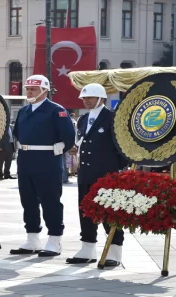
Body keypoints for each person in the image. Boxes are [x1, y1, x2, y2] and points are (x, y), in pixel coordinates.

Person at [9, 75, 76, 257]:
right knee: (28, 200)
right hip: (25, 160)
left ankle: (54, 240)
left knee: (50, 200)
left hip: (47, 160)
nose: (29, 92)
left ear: (44, 90)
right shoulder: (24, 111)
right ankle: (32, 239)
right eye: (28, 89)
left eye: (33, 89)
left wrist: (60, 148)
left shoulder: (56, 111)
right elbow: (17, 134)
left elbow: (69, 137)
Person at [66, 83, 127, 266]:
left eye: (90, 98)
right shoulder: (83, 119)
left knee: (109, 212)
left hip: (106, 173)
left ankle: (114, 251)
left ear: (101, 99)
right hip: (86, 173)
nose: (86, 101)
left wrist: (117, 169)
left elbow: (122, 148)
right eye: (84, 98)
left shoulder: (113, 118)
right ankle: (87, 247)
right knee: (85, 211)